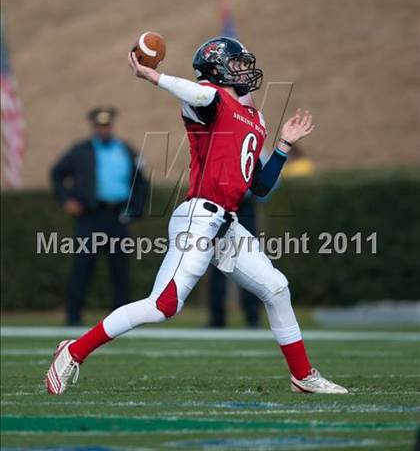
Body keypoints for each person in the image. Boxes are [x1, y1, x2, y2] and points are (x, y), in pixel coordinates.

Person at [45, 37, 348, 395]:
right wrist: (154, 77)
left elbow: (262, 186)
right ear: (217, 68)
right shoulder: (208, 99)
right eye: (235, 63)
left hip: (227, 224)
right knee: (162, 306)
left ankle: (302, 375)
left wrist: (283, 146)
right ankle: (74, 351)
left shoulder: (255, 118)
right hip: (199, 217)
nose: (244, 69)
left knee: (276, 288)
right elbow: (201, 95)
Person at [50, 107, 149, 326]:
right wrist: (66, 200)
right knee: (83, 267)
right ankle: (74, 316)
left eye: (107, 125)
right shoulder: (81, 151)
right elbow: (57, 174)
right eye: (100, 126)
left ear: (112, 126)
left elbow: (141, 182)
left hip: (118, 217)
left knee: (120, 269)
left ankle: (121, 319)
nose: (104, 129)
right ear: (94, 127)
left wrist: (135, 210)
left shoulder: (126, 150)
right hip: (90, 217)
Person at [207, 194, 261, 328]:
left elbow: (264, 191)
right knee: (218, 266)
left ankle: (253, 319)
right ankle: (217, 319)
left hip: (244, 211)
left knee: (250, 267)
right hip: (222, 211)